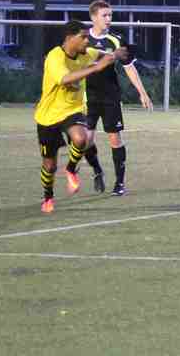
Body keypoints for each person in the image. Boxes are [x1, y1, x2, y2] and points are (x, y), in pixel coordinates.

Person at [35, 21, 128, 213]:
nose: (87, 40)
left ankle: (70, 169)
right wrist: (96, 68)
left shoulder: (87, 53)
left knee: (81, 138)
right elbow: (65, 79)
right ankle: (48, 196)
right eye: (83, 37)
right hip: (48, 115)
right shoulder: (55, 56)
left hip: (72, 110)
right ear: (70, 38)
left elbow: (101, 55)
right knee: (49, 165)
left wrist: (116, 54)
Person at [83, 0, 153, 195]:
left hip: (110, 96)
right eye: (104, 15)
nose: (108, 19)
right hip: (87, 97)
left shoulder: (116, 40)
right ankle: (97, 171)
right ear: (93, 17)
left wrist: (142, 92)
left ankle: (119, 183)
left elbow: (129, 68)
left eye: (110, 15)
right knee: (85, 141)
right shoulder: (82, 39)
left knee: (114, 138)